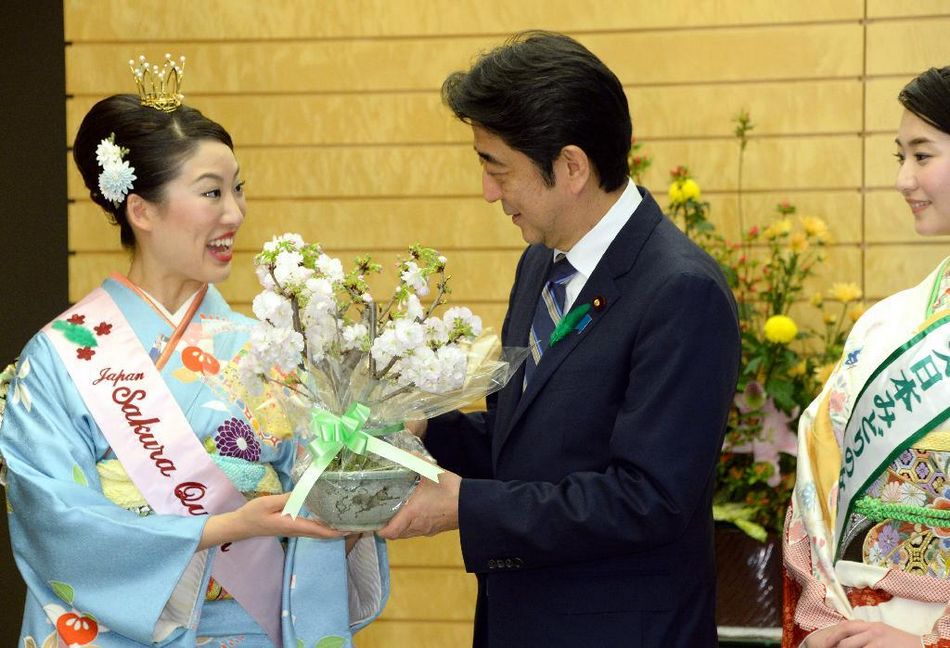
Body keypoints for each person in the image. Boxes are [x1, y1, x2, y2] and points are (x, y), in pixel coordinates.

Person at [0, 56, 387, 647]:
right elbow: (53, 518)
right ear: (142, 210)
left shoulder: (269, 349)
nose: (235, 213)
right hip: (115, 632)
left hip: (252, 626)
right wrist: (224, 526)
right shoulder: (58, 357)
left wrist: (362, 483)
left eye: (237, 189)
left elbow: (313, 496)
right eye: (211, 192)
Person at [378, 31, 741, 647]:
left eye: (497, 167)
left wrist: (466, 508)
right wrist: (420, 434)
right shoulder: (543, 263)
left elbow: (648, 498)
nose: (488, 191)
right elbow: (530, 440)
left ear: (571, 166)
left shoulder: (680, 291)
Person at [783, 66, 950, 648]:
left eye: (922, 155)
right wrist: (829, 620)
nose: (904, 179)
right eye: (898, 156)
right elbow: (817, 487)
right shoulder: (884, 324)